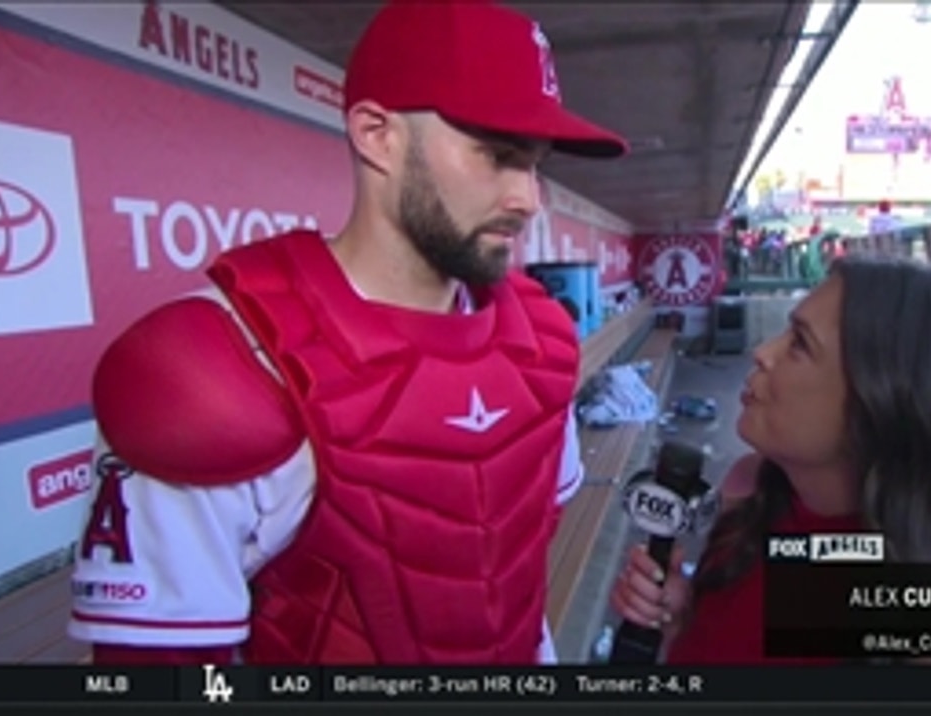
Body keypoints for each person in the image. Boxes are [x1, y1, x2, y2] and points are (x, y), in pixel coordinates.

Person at [69, 1, 626, 665]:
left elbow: (510, 577)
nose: (528, 199)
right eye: (497, 154)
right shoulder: (222, 361)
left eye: (534, 163)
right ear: (375, 134)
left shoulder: (538, 340)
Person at [610, 256, 931, 663]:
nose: (762, 352)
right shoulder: (747, 489)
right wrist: (686, 619)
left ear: (885, 402)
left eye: (800, 344)